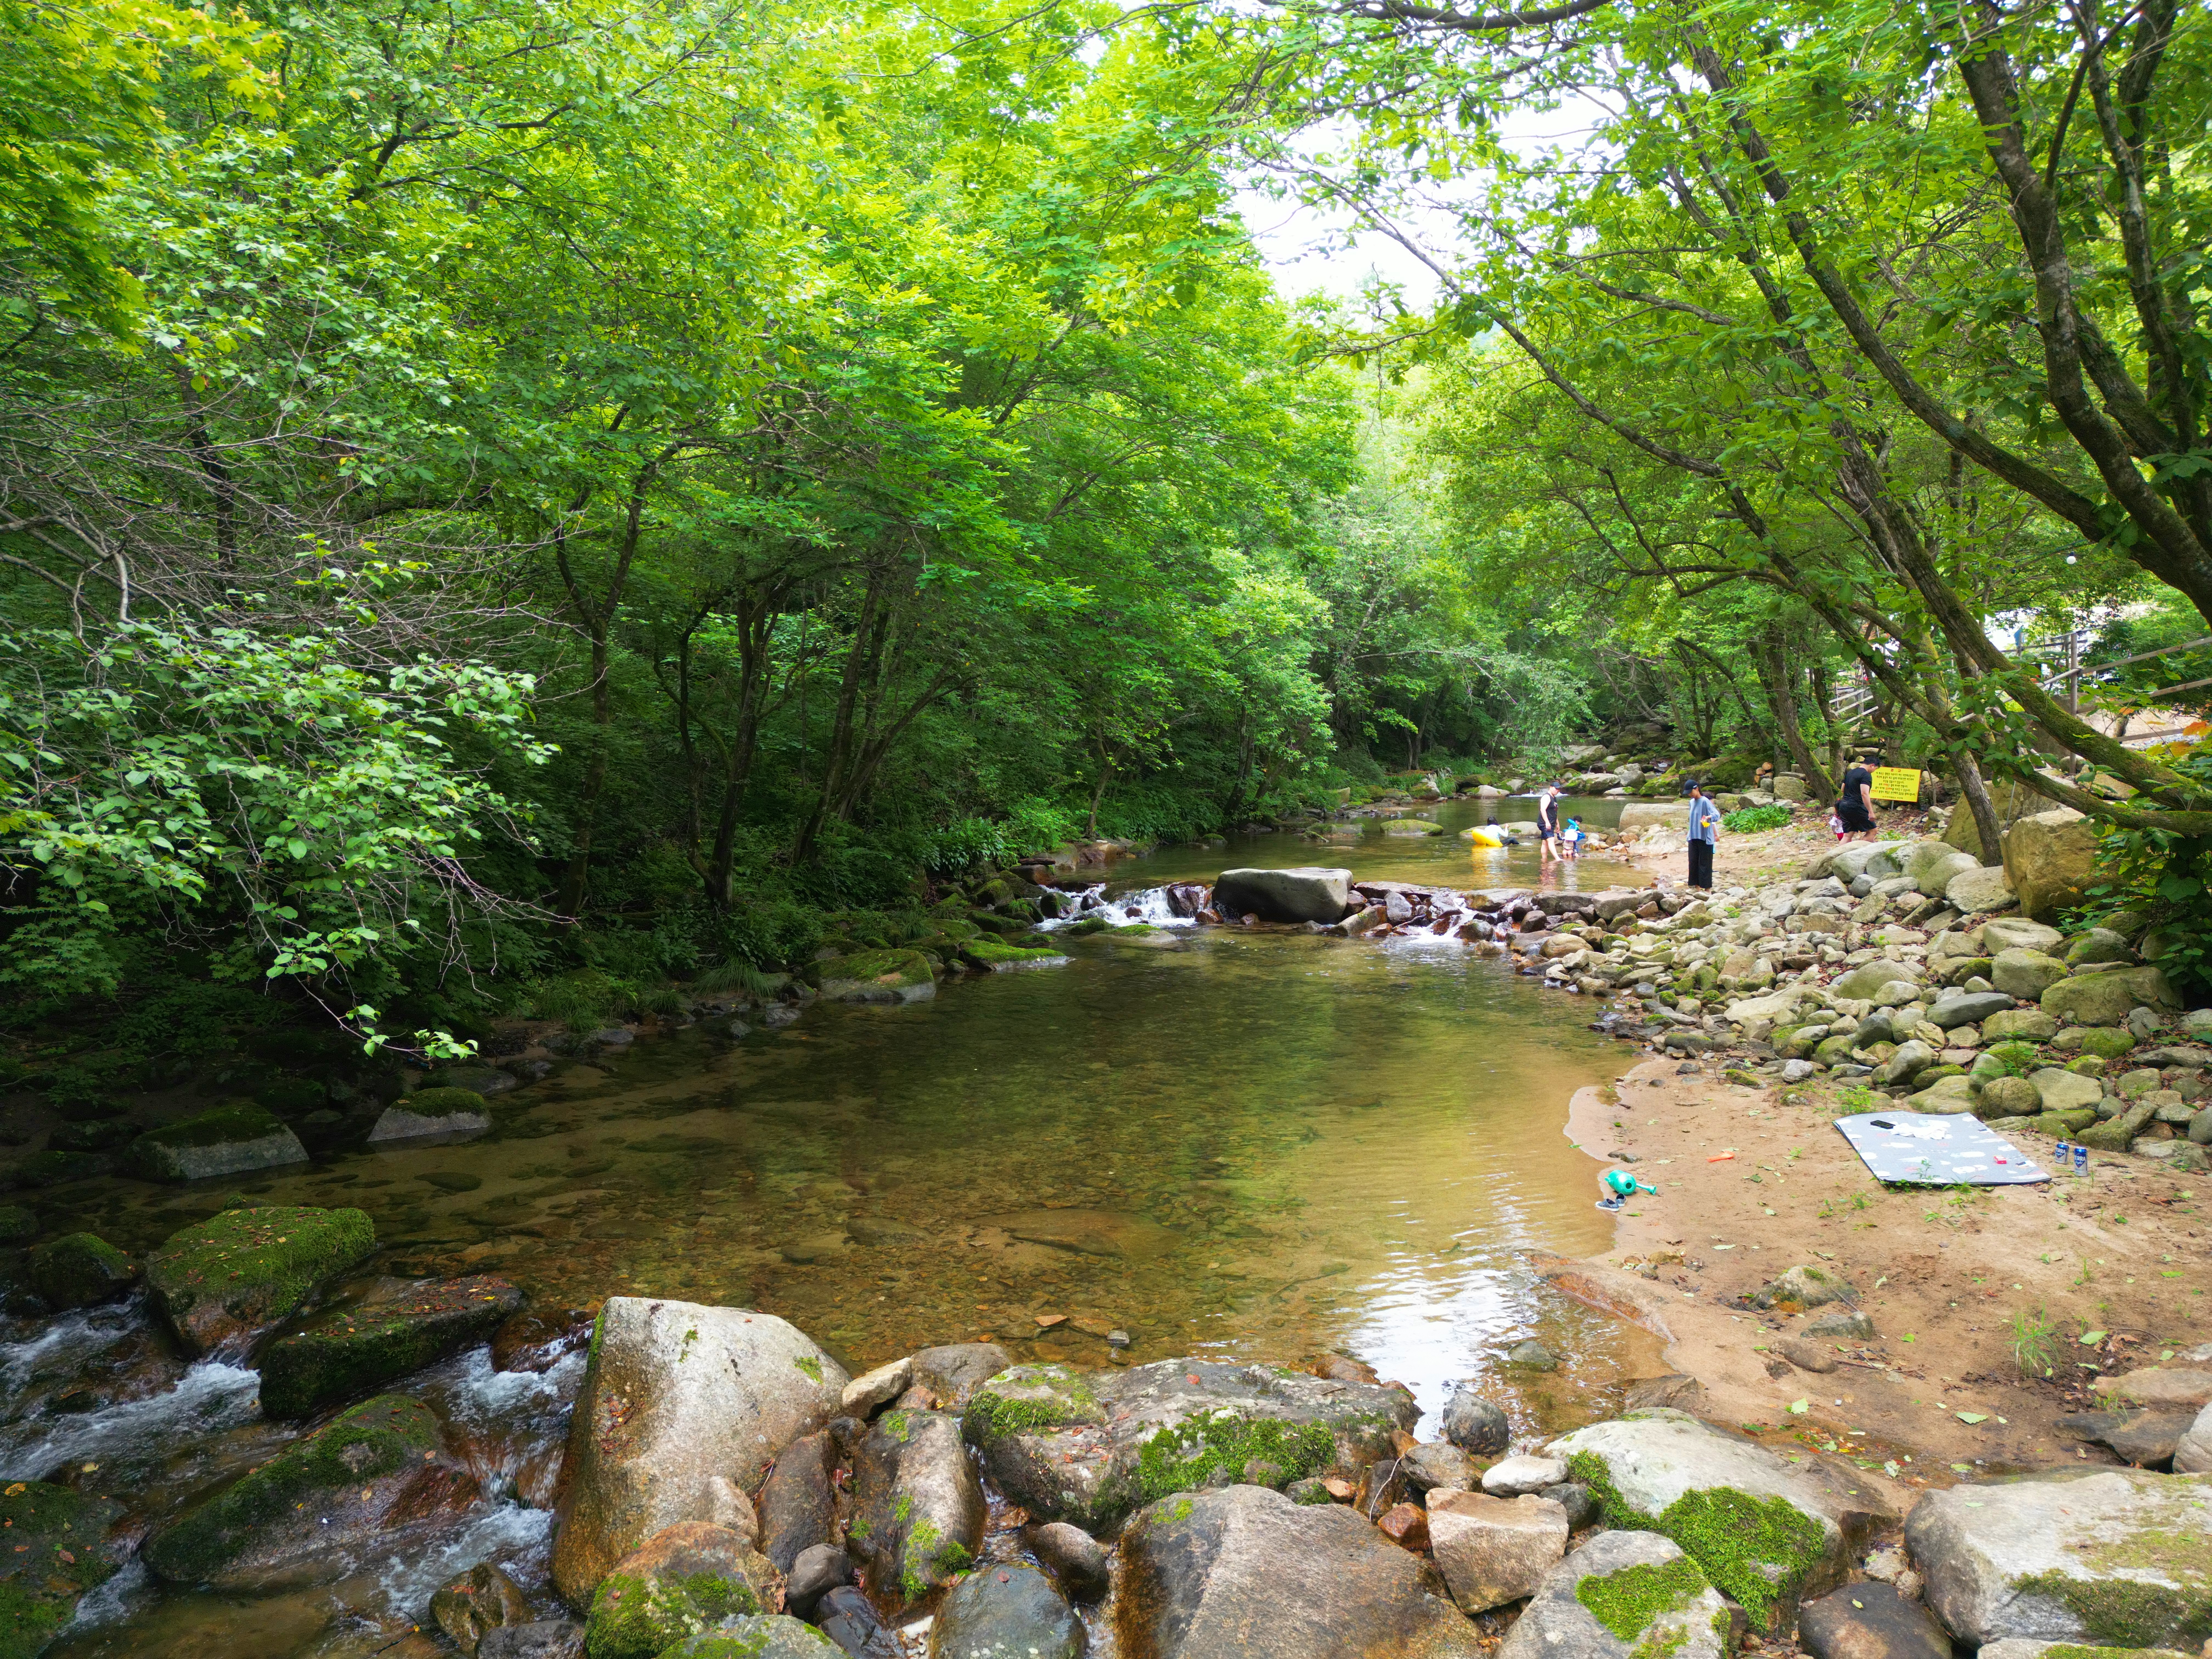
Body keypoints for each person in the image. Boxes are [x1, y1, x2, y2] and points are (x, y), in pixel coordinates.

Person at [1685, 780, 1721, 889]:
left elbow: (1716, 815)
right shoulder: (1692, 802)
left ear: (1697, 789)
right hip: (1693, 836)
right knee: (1693, 863)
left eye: (1691, 792)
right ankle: (1696, 887)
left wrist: (1709, 818)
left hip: (1705, 837)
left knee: (1705, 864)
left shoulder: (1705, 801)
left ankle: (1707, 889)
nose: (1689, 795)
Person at [1836, 757, 1878, 842]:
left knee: (1848, 835)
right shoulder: (1866, 775)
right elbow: (1864, 794)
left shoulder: (1851, 773)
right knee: (1872, 831)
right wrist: (1871, 812)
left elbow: (1843, 789)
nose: (1874, 771)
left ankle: (1841, 854)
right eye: (1875, 769)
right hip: (1856, 806)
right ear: (1872, 765)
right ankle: (1861, 853)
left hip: (1844, 805)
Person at [1534, 785, 1561, 862]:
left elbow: (1554, 813)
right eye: (1556, 789)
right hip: (1545, 823)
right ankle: (1557, 859)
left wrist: (1558, 824)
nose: (1558, 791)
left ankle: (1544, 860)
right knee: (1551, 840)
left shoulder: (1554, 798)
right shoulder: (1547, 797)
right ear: (1551, 787)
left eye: (1559, 789)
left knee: (1545, 842)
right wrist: (1547, 822)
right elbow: (1543, 809)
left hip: (1551, 823)